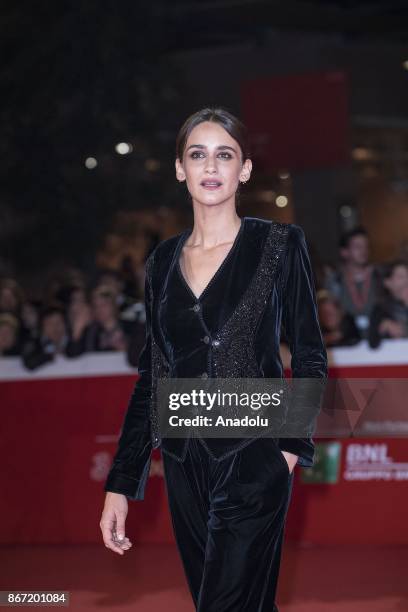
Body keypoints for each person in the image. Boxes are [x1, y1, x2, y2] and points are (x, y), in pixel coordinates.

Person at [100, 108, 328, 611]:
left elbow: (310, 355)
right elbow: (152, 376)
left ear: (244, 169)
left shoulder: (279, 244)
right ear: (180, 168)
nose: (210, 166)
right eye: (197, 154)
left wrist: (287, 451)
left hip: (254, 456)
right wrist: (121, 483)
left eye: (224, 155)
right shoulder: (160, 261)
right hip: (183, 464)